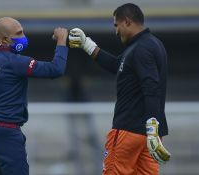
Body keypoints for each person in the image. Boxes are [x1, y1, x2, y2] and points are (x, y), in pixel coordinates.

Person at [68, 3, 171, 175]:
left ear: (127, 22)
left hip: (129, 131)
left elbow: (151, 87)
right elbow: (117, 65)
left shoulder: (141, 49)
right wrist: (87, 44)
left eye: (117, 25)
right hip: (147, 136)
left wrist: (152, 127)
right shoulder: (150, 44)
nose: (116, 31)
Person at [0, 17, 68, 175]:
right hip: (6, 133)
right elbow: (56, 69)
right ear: (5, 39)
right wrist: (62, 40)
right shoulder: (15, 62)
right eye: (19, 33)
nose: (24, 37)